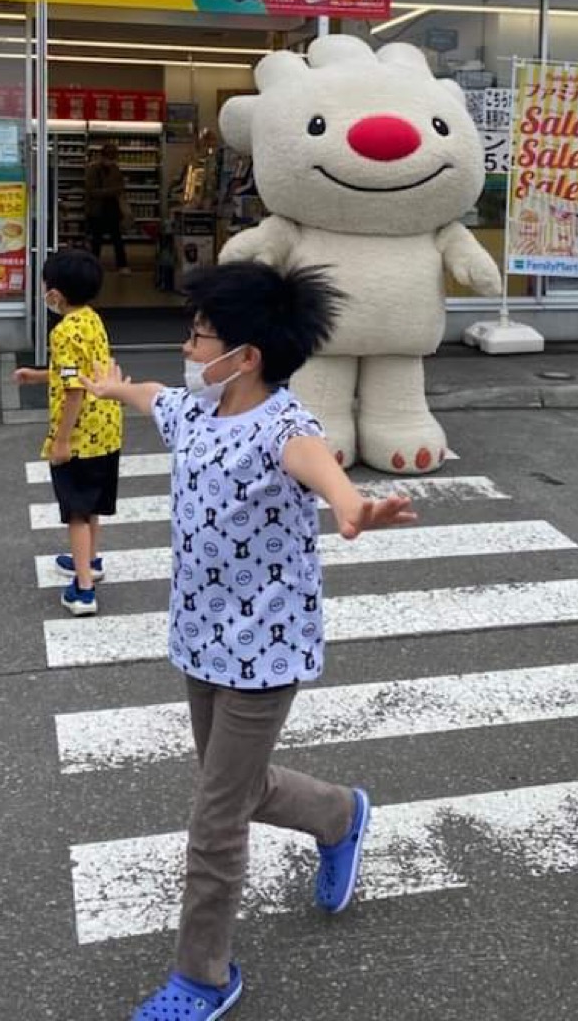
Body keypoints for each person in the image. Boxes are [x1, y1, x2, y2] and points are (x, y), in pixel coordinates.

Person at [80, 261, 416, 1020]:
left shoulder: (285, 429)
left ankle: (204, 975)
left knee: (216, 815)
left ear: (248, 355)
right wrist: (111, 388)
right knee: (235, 783)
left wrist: (354, 508)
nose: (189, 348)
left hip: (263, 651)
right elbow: (153, 397)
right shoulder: (197, 414)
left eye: (200, 335)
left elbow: (324, 474)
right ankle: (340, 815)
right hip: (199, 635)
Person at [14, 249, 123, 616]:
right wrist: (38, 375)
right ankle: (90, 561)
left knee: (76, 512)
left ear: (55, 295)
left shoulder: (62, 331)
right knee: (92, 506)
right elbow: (78, 372)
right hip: (106, 429)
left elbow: (73, 389)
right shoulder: (93, 320)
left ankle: (84, 590)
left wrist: (60, 440)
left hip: (79, 436)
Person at [84, 141, 130, 272]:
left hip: (112, 209)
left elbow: (120, 187)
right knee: (96, 241)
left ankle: (122, 265)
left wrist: (115, 191)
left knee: (117, 239)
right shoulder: (93, 169)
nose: (112, 160)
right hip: (97, 209)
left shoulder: (115, 169)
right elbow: (91, 191)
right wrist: (111, 191)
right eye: (111, 156)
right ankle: (93, 266)